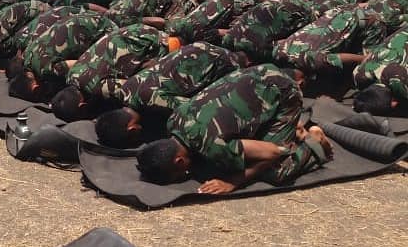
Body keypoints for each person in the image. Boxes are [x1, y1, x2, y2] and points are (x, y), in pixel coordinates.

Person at [136, 65, 333, 194]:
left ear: (179, 161)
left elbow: (272, 152)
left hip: (284, 92)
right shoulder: (173, 121)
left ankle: (313, 139)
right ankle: (290, 127)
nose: (186, 174)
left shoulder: (214, 146)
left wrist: (234, 182)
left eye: (179, 174)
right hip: (254, 74)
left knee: (277, 171)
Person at [99, 43, 249, 148]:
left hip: (214, 59)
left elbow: (195, 107)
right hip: (192, 51)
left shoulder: (154, 100)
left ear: (132, 129)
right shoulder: (124, 91)